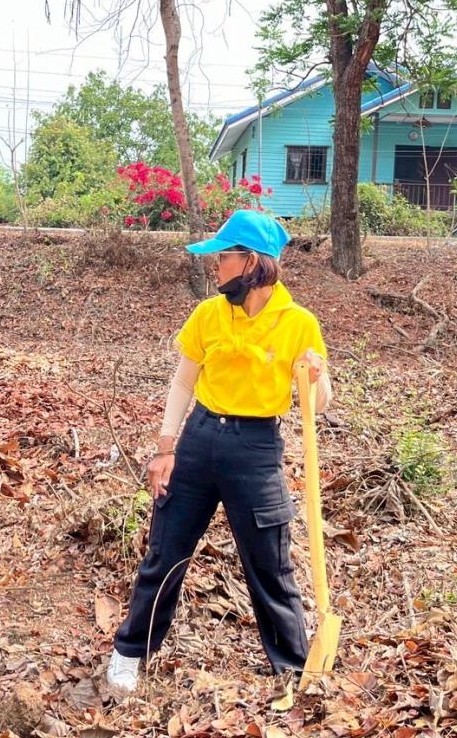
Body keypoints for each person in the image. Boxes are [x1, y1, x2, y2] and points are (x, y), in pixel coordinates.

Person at [105, 209, 333, 696]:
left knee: (269, 563)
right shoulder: (207, 314)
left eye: (223, 257)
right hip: (200, 440)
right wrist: (165, 447)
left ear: (251, 262)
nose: (215, 266)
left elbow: (317, 403)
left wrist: (315, 376)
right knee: (166, 551)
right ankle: (130, 651)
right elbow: (184, 380)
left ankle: (293, 668)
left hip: (256, 448)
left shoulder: (298, 324)